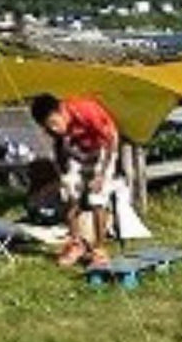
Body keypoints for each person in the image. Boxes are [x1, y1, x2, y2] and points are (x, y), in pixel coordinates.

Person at [30, 92, 120, 269]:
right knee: (70, 194)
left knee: (96, 198)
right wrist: (63, 173)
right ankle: (76, 244)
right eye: (48, 127)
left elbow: (110, 138)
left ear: (60, 110)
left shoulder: (85, 110)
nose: (54, 129)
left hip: (103, 147)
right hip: (78, 149)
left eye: (54, 123)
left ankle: (99, 250)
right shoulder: (54, 126)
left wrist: (100, 175)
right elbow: (58, 145)